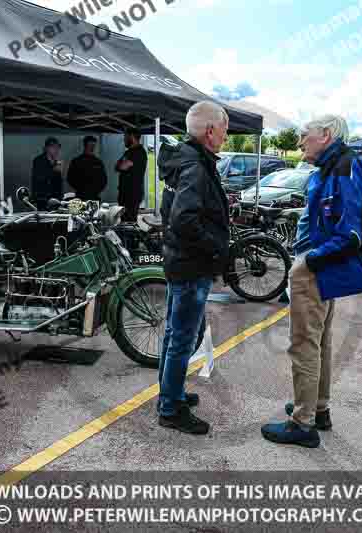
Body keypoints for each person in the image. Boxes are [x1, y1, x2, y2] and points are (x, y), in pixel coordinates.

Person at [261, 114, 362, 448]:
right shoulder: (342, 165)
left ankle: (302, 422)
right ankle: (318, 408)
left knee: (303, 344)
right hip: (325, 267)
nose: (299, 141)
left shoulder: (342, 168)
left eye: (304, 135)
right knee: (319, 342)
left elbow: (351, 234)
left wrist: (309, 260)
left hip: (318, 267)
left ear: (325, 135)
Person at [157, 101, 229, 435]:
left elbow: (171, 212)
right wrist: (215, 246)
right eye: (225, 130)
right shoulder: (196, 167)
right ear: (210, 131)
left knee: (176, 334)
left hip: (180, 261)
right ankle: (170, 408)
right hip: (190, 265)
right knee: (184, 337)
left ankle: (170, 395)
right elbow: (183, 218)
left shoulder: (184, 160)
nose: (226, 137)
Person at [116, 127, 148, 222]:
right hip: (125, 192)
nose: (124, 140)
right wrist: (121, 164)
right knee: (124, 219)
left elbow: (122, 166)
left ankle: (132, 237)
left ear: (132, 137)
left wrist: (122, 163)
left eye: (125, 137)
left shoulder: (139, 152)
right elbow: (117, 166)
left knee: (129, 221)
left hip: (133, 193)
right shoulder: (128, 152)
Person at [66, 136, 107, 201]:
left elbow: (104, 180)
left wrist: (96, 190)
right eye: (90, 145)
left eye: (94, 145)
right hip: (81, 196)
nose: (92, 147)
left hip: (94, 196)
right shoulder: (77, 161)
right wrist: (81, 189)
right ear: (85, 145)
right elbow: (70, 178)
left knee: (94, 211)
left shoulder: (98, 162)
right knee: (81, 210)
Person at [31, 137, 66, 208]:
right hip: (43, 199)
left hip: (56, 200)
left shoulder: (57, 161)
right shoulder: (39, 161)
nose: (56, 150)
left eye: (58, 147)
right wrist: (54, 170)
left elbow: (59, 182)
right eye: (53, 147)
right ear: (47, 148)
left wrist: (60, 198)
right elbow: (40, 178)